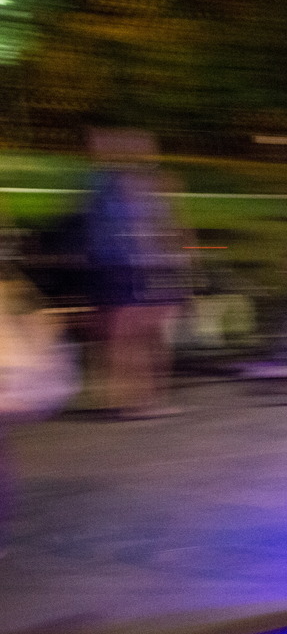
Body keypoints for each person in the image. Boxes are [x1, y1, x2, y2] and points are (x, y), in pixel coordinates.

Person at [82, 128, 191, 419]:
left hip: (120, 267)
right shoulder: (139, 183)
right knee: (140, 333)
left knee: (130, 333)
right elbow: (163, 229)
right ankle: (140, 400)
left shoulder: (103, 182)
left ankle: (125, 398)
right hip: (140, 268)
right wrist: (179, 261)